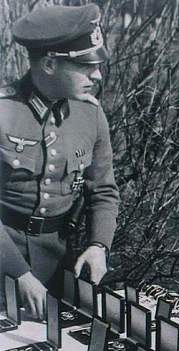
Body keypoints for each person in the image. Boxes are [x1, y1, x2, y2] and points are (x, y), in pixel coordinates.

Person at [0, 4, 119, 320]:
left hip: (58, 264)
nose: (97, 74)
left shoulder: (91, 114)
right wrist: (18, 272)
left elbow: (104, 192)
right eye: (85, 65)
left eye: (98, 64)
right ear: (50, 63)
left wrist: (98, 246)